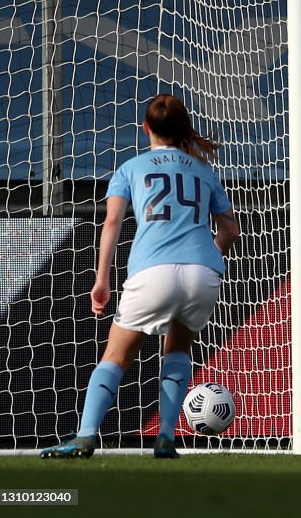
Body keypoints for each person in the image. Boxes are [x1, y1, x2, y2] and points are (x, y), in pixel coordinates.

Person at [41, 94, 241, 460]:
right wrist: (209, 256)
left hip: (153, 272)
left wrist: (101, 280)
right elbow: (230, 229)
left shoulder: (131, 168)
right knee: (178, 349)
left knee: (116, 356)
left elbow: (112, 223)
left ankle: (86, 437)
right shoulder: (203, 170)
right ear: (182, 128)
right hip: (203, 273)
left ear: (145, 127)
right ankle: (165, 437)